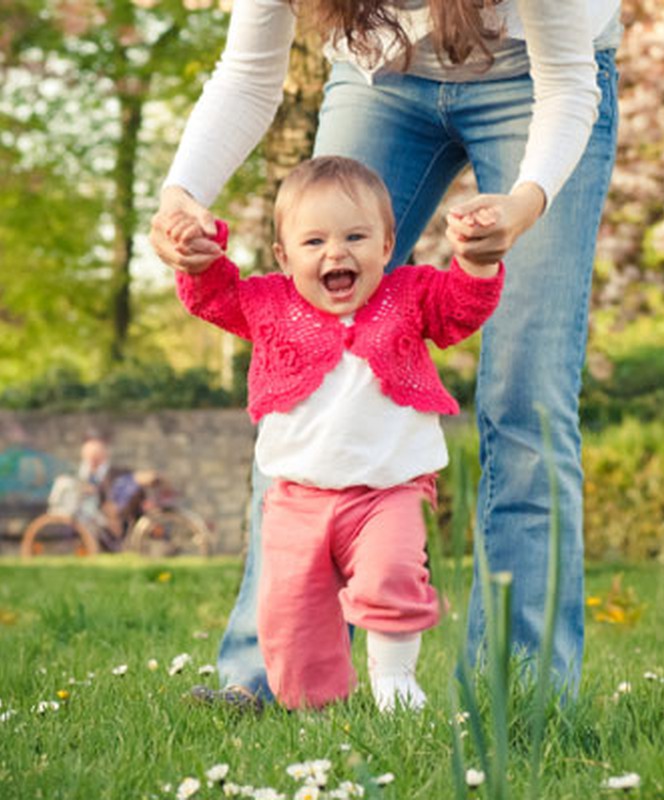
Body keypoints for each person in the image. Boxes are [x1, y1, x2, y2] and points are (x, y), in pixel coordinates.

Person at [150, 0, 621, 706]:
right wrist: (181, 196)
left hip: (538, 81)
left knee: (528, 399)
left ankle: (523, 694)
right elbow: (248, 74)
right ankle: (265, 678)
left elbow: (566, 86)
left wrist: (524, 205)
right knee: (301, 364)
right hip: (379, 77)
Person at [167, 156, 504, 710]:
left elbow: (460, 309)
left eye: (355, 237)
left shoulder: (409, 295)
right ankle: (316, 711)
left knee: (393, 574)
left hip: (390, 490)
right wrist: (199, 253)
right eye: (314, 241)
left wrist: (477, 263)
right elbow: (214, 296)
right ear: (284, 256)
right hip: (297, 499)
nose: (336, 253)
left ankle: (395, 681)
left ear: (387, 244)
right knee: (290, 615)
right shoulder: (270, 303)